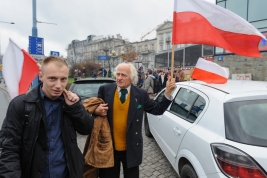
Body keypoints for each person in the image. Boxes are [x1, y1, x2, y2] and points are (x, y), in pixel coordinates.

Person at [0, 56, 94, 178]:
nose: (59, 85)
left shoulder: (70, 103)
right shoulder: (21, 104)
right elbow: (9, 148)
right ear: (41, 76)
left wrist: (75, 108)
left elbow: (86, 129)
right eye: (52, 79)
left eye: (63, 79)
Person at [94, 63, 176, 178]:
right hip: (109, 148)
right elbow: (94, 113)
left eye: (123, 75)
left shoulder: (141, 94)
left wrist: (167, 93)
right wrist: (96, 110)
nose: (119, 78)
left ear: (132, 78)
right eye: (117, 74)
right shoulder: (104, 90)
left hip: (131, 148)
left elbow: (157, 109)